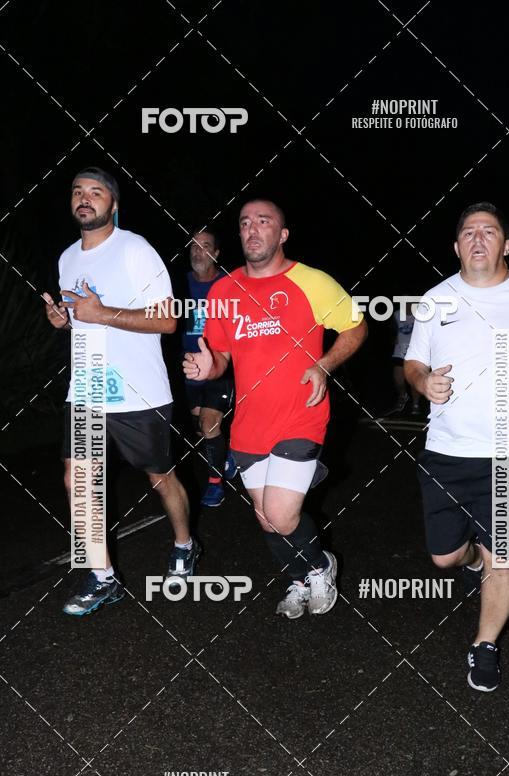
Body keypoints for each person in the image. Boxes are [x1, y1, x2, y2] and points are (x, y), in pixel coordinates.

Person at [405, 201, 509, 692]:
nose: (479, 239)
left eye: (490, 231)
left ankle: (484, 646)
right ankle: (472, 559)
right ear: (456, 246)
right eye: (469, 232)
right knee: (444, 558)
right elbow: (414, 363)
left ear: (507, 245)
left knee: (506, 558)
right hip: (446, 452)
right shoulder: (435, 299)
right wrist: (424, 382)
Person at [183, 199, 367, 618]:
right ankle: (298, 579)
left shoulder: (311, 281)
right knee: (266, 519)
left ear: (282, 235)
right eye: (245, 223)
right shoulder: (224, 290)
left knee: (283, 515)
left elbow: (357, 327)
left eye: (263, 222)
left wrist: (323, 364)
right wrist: (209, 366)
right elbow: (221, 356)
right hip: (249, 423)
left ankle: (321, 565)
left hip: (301, 415)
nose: (252, 229)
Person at [44, 166, 199, 616]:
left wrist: (100, 312)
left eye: (95, 192)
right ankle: (102, 576)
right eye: (77, 192)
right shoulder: (67, 258)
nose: (85, 199)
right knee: (78, 478)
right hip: (88, 386)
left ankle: (185, 543)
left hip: (139, 392)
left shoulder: (136, 250)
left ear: (113, 203)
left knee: (159, 477)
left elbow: (168, 321)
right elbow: (79, 316)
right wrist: (64, 319)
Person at [182, 228, 235, 507]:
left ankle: (215, 483)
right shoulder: (179, 285)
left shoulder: (230, 284)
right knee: (200, 429)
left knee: (209, 422)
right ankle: (225, 453)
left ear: (215, 253)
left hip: (219, 364)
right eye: (193, 246)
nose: (197, 252)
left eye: (204, 246)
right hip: (189, 368)